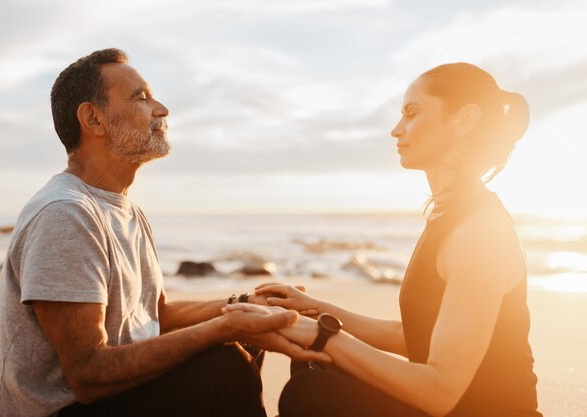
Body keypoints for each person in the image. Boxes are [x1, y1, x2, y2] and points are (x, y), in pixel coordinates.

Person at [0, 48, 328, 417]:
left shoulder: (126, 210)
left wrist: (243, 304)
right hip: (59, 409)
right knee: (223, 366)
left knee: (245, 339)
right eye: (142, 98)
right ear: (93, 119)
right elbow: (87, 374)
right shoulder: (66, 213)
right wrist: (221, 328)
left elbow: (154, 315)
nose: (161, 109)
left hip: (106, 400)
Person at [227, 62, 542, 417]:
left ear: (464, 121)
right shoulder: (449, 212)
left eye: (412, 113)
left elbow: (439, 392)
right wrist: (312, 308)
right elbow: (415, 338)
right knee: (317, 365)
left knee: (312, 390)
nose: (396, 130)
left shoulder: (478, 231)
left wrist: (320, 334)